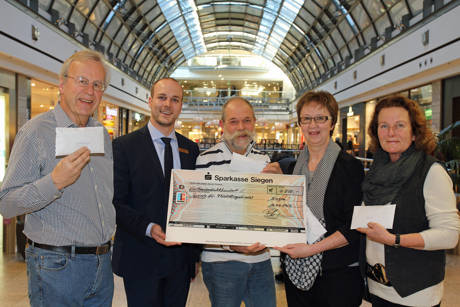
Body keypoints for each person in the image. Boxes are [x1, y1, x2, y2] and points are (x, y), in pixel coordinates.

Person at [0, 50, 115, 306]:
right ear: (62, 84)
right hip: (56, 267)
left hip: (102, 264)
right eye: (82, 81)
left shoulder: (101, 135)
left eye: (98, 85)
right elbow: (6, 203)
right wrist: (54, 182)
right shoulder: (36, 132)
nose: (90, 91)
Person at [357, 95, 460, 307]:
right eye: (384, 125)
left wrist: (394, 239)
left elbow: (449, 236)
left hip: (414, 294)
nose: (391, 132)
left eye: (400, 125)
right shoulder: (377, 170)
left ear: (414, 133)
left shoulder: (431, 172)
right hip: (377, 289)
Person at [269, 90, 364, 306]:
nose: (313, 125)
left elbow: (354, 227)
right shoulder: (294, 168)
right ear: (300, 123)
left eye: (321, 118)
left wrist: (310, 250)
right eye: (307, 119)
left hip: (337, 276)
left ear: (332, 122)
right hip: (295, 273)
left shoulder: (351, 168)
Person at [112, 77, 201, 306]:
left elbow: (196, 202)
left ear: (181, 105)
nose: (167, 105)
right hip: (140, 257)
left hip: (179, 262)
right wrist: (149, 228)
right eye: (162, 97)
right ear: (150, 100)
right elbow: (116, 202)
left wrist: (194, 256)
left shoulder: (190, 149)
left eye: (175, 99)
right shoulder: (124, 147)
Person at [195, 97, 276, 307]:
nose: (241, 127)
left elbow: (270, 210)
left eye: (247, 120)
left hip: (261, 260)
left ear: (254, 122)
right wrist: (230, 244)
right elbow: (200, 216)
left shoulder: (265, 161)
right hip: (221, 261)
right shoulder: (205, 160)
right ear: (222, 125)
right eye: (233, 121)